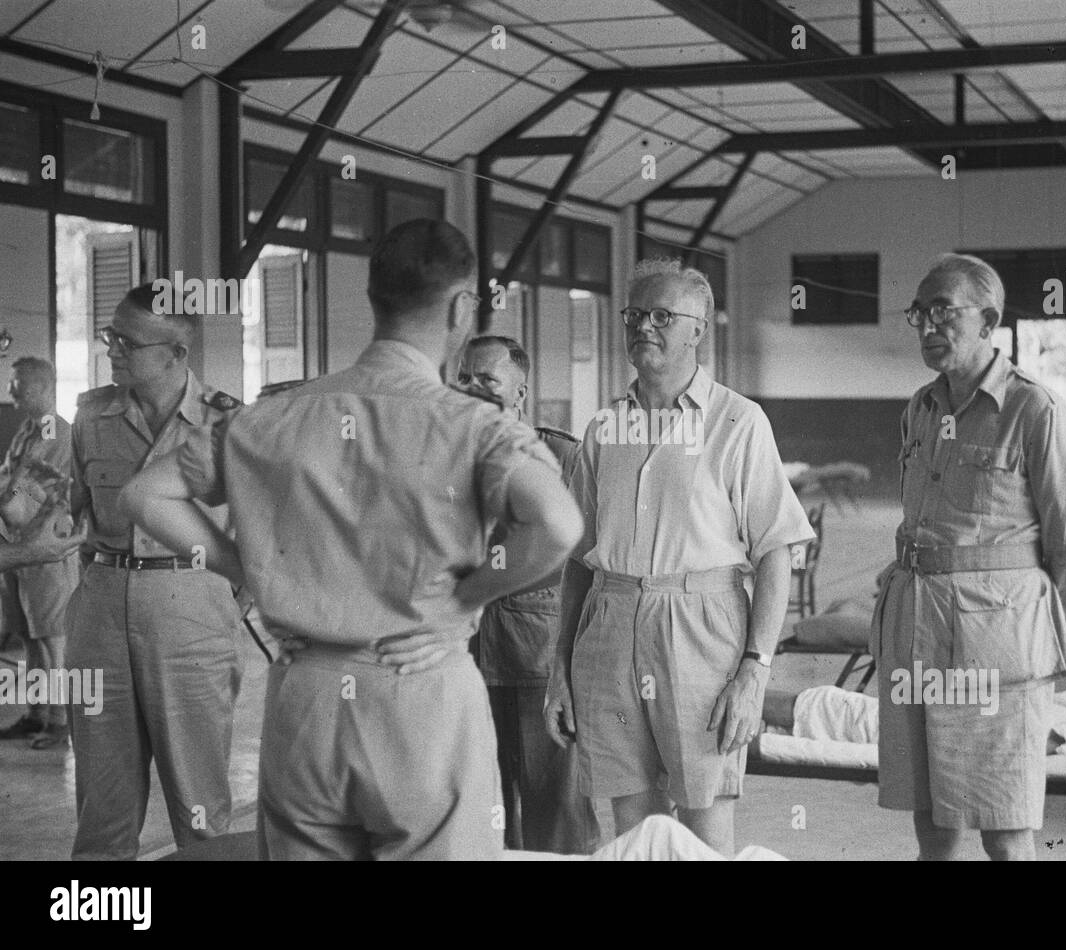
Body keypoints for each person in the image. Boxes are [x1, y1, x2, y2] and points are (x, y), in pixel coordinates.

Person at [121, 220, 582, 860]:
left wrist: (249, 570)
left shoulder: (271, 416)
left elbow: (145, 495)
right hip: (419, 688)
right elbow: (558, 523)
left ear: (373, 299)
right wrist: (463, 599)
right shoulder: (474, 426)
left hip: (305, 697)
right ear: (459, 310)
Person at [543, 258, 814, 856]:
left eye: (663, 316)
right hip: (610, 624)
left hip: (702, 629)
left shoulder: (738, 422)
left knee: (703, 826)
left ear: (698, 330)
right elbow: (580, 560)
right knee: (636, 832)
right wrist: (560, 665)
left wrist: (755, 669)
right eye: (635, 314)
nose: (644, 326)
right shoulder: (604, 428)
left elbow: (776, 551)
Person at [870, 253, 1066, 861]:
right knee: (932, 823)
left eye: (943, 310)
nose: (927, 325)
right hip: (916, 633)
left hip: (997, 651)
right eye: (919, 312)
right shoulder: (920, 409)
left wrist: (1025, 633)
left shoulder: (1033, 411)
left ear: (989, 320)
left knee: (1005, 827)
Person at [65, 285, 245, 860]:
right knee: (102, 805)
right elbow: (67, 508)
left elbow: (261, 540)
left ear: (176, 353)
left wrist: (224, 609)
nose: (112, 349)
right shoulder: (90, 415)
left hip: (193, 615)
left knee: (200, 807)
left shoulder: (228, 423)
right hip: (100, 614)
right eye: (110, 336)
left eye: (127, 342)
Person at [458, 334, 600, 854]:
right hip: (464, 654)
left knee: (555, 805)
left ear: (520, 392)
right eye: (464, 378)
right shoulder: (442, 456)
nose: (472, 388)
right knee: (479, 800)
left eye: (487, 380)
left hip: (537, 654)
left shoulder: (561, 455)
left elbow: (588, 558)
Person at [0, 358, 80, 749]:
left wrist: (9, 488)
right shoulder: (28, 429)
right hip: (18, 547)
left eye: (19, 384)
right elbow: (10, 481)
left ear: (45, 387)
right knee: (31, 638)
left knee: (52, 638)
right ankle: (36, 713)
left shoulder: (57, 432)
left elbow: (26, 490)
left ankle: (60, 720)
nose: (10, 390)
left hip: (45, 546)